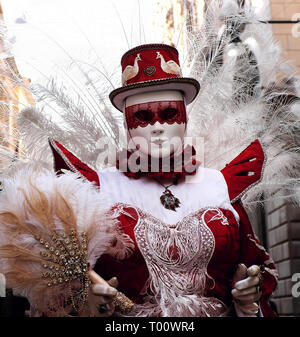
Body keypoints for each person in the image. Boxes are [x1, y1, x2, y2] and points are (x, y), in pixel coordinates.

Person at [48, 44, 278, 317]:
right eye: (142, 116)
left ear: (185, 118)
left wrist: (248, 293)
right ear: (126, 124)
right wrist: (88, 302)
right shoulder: (99, 189)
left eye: (169, 113)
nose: (157, 127)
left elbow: (256, 270)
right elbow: (67, 282)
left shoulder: (219, 185)